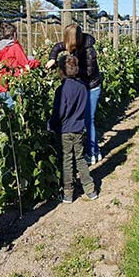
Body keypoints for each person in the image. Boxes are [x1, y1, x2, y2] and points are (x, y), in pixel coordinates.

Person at [46, 24, 102, 165]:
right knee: (85, 119)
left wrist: (66, 67)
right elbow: (58, 47)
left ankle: (92, 153)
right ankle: (95, 150)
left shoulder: (89, 51)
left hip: (91, 87)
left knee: (89, 120)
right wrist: (53, 57)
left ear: (73, 39)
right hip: (82, 86)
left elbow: (88, 73)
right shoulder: (74, 43)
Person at [48, 55, 98, 203]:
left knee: (67, 161)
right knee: (81, 159)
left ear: (61, 71)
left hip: (65, 130)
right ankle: (90, 189)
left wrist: (52, 125)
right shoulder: (83, 87)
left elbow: (60, 112)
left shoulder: (62, 89)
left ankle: (68, 193)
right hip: (78, 129)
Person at [0, 23, 40, 108]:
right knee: (18, 111)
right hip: (15, 84)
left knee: (9, 114)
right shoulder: (15, 47)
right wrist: (37, 62)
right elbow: (25, 64)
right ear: (14, 34)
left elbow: (11, 61)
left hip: (3, 85)